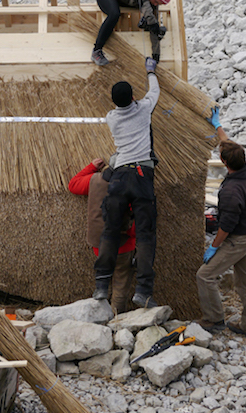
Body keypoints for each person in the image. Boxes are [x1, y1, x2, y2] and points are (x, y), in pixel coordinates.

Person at [93, 56, 160, 308]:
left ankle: (101, 284)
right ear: (133, 97)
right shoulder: (144, 108)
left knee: (110, 230)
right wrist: (150, 71)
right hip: (142, 175)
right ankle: (143, 290)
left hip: (119, 177)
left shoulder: (111, 118)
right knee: (145, 235)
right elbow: (155, 90)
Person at [196, 107, 246, 336]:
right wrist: (217, 126)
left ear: (224, 162)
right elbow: (229, 145)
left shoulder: (231, 191)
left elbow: (226, 227)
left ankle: (214, 319)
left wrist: (213, 247)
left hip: (238, 238)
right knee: (244, 282)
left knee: (205, 275)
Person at [68, 157, 135, 313]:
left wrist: (92, 166)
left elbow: (73, 185)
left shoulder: (94, 180)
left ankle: (101, 316)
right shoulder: (132, 186)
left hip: (98, 242)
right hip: (123, 244)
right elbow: (137, 217)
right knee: (120, 283)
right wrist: (133, 237)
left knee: (102, 279)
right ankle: (116, 319)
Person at [91, 0, 176, 66]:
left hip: (122, 0)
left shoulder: (153, 0)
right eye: (156, 1)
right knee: (114, 14)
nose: (155, 4)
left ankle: (145, 22)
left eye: (158, 4)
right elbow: (145, 6)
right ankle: (96, 51)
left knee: (151, 18)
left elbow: (154, 24)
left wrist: (156, 56)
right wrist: (153, 24)